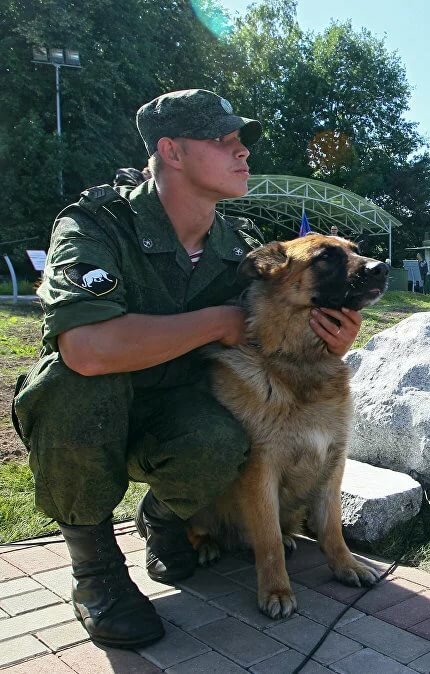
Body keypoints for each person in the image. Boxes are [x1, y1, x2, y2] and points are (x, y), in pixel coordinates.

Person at [11, 89, 363, 649]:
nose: (242, 152)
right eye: (224, 141)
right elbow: (87, 348)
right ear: (171, 151)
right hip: (95, 410)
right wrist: (218, 322)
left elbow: (275, 341)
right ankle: (96, 572)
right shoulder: (97, 225)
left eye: (243, 142)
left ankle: (167, 516)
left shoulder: (238, 250)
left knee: (223, 441)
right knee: (69, 386)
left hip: (174, 412)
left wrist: (329, 343)